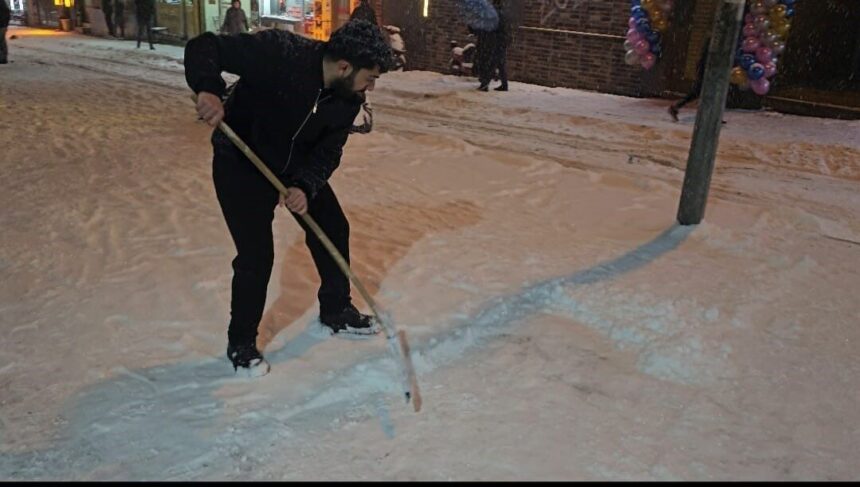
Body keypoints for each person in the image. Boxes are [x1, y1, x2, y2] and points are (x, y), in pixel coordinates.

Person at [184, 19, 393, 375]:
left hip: (293, 167)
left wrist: (305, 186)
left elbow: (329, 151)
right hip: (242, 163)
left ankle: (336, 308)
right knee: (257, 255)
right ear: (344, 66)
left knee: (332, 226)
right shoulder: (280, 53)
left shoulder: (347, 100)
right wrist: (207, 90)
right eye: (369, 76)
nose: (370, 86)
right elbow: (205, 47)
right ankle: (242, 342)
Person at [668, 37, 710, 122]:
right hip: (706, 73)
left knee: (699, 93)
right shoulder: (709, 55)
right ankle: (675, 107)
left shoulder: (706, 55)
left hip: (705, 72)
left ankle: (675, 107)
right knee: (698, 93)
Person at [475, 0, 511, 92]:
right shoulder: (504, 13)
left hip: (495, 42)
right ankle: (504, 84)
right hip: (502, 41)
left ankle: (485, 84)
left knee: (491, 63)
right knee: (500, 63)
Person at [0, 0, 10, 65]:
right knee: (2, 40)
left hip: (2, 25)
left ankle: (3, 58)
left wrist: (4, 23)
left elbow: (6, 13)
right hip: (3, 24)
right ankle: (3, 57)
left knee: (1, 40)